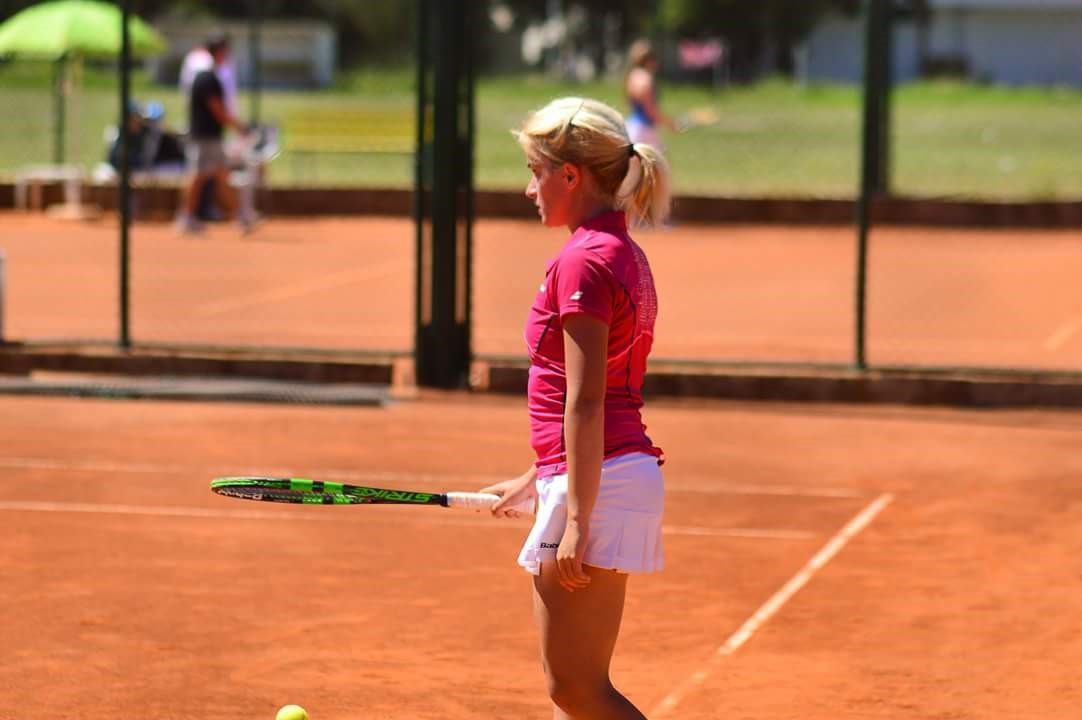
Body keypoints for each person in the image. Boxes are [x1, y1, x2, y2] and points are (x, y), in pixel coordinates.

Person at [481, 97, 670, 719]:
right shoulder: (616, 250)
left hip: (599, 479)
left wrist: (579, 518)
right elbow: (599, 389)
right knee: (575, 694)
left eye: (535, 172)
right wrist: (538, 474)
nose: (528, 188)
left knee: (577, 688)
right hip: (603, 471)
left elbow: (587, 400)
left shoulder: (584, 261)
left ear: (570, 174)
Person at [176, 34, 252, 234]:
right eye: (226, 51)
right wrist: (239, 126)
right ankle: (187, 217)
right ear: (218, 52)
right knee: (199, 176)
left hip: (209, 136)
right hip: (205, 137)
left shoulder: (209, 76)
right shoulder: (208, 78)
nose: (228, 56)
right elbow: (218, 111)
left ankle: (240, 216)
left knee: (220, 175)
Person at [624, 39, 678, 148]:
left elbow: (629, 103)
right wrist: (669, 123)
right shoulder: (646, 79)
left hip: (631, 126)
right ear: (650, 60)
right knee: (660, 157)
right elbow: (650, 110)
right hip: (644, 130)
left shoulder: (633, 75)